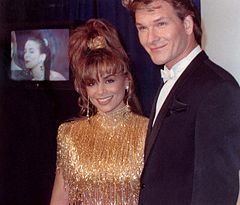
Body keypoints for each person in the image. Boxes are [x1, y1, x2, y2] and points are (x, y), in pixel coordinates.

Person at [123, 0, 240, 204]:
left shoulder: (217, 89)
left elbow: (215, 193)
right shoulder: (172, 78)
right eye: (142, 28)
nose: (150, 38)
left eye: (161, 24)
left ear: (187, 24)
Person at [50, 19, 149, 205]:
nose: (101, 91)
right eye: (92, 83)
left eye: (109, 80)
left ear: (126, 80)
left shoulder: (149, 132)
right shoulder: (69, 134)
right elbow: (60, 197)